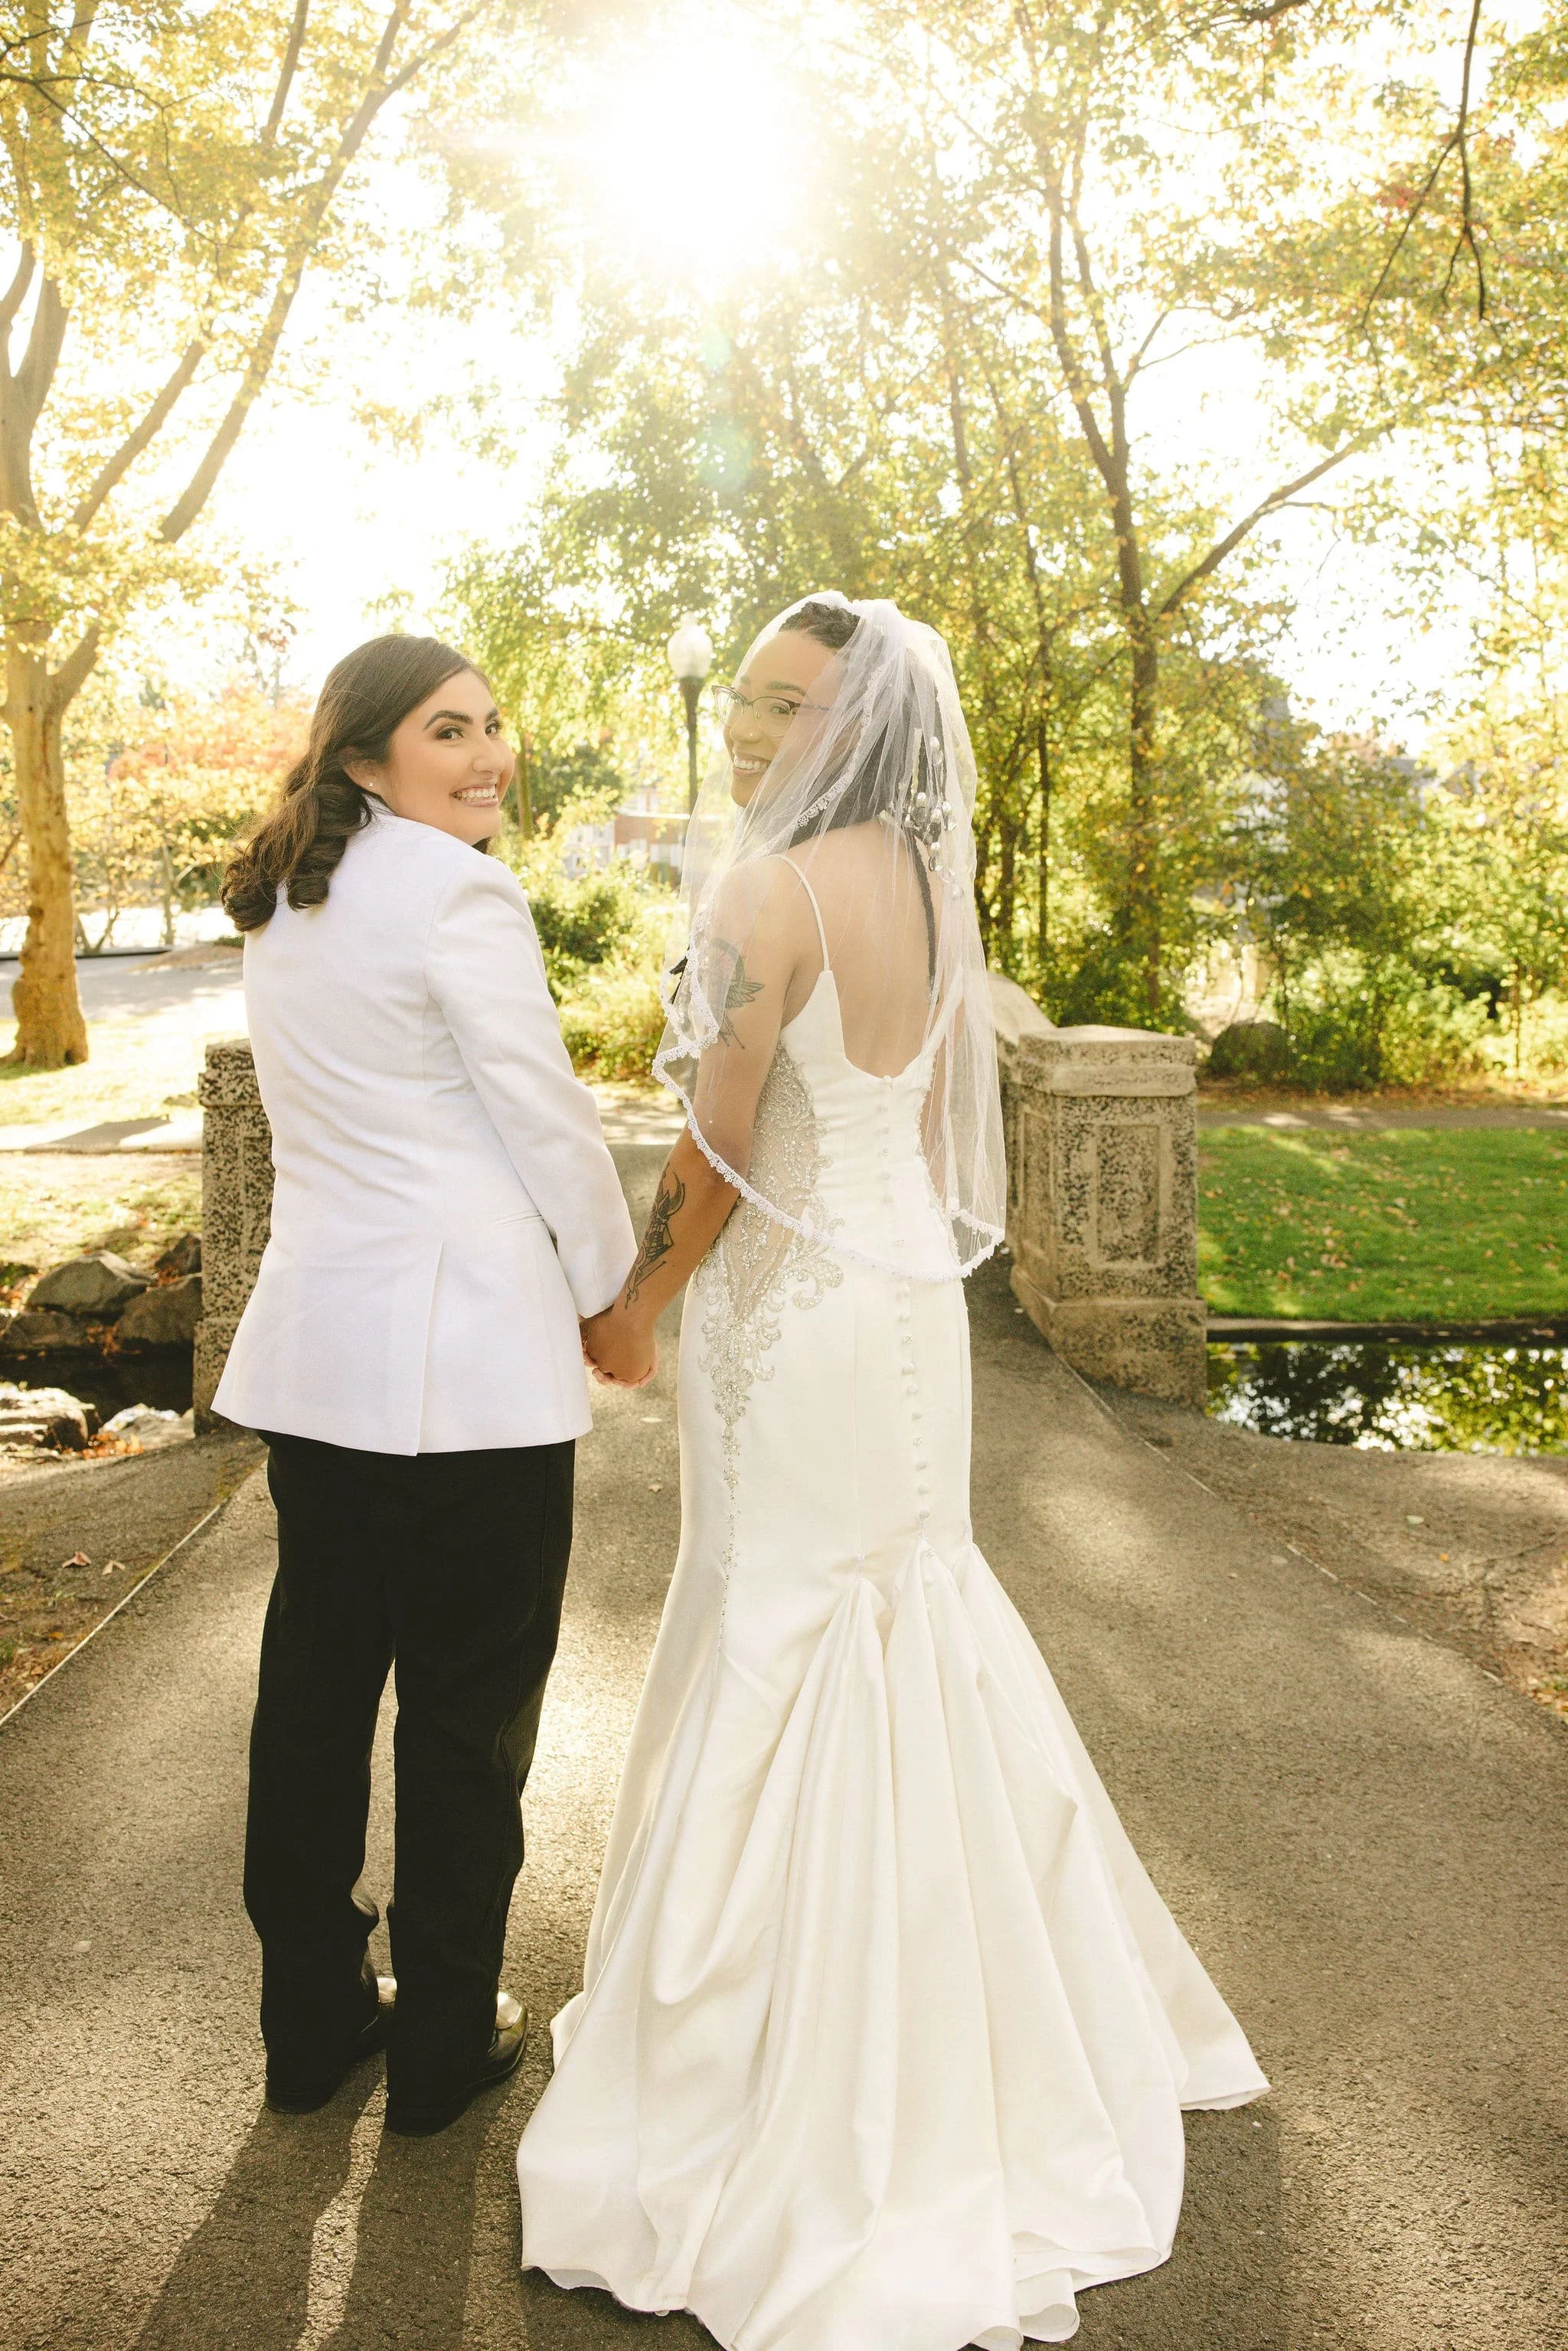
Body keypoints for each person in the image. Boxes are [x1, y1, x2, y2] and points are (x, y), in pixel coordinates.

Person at [517, 595, 1267, 2346]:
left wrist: (639, 1304)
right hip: (903, 1303)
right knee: (900, 1608)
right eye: (750, 699)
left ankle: (785, 2066)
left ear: (856, 726)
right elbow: (925, 1132)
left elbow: (712, 1149)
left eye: (787, 708)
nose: (748, 731)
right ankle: (978, 2016)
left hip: (789, 1311)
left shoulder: (765, 886)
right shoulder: (923, 885)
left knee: (783, 1614)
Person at [217, 635, 635, 2137]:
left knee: (314, 1700)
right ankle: (446, 2037)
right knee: (467, 1716)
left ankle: (311, 2017)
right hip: (470, 1378)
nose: (490, 752)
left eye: (493, 723)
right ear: (361, 757)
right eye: (447, 730)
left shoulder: (286, 897)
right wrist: (612, 1289)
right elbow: (545, 1119)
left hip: (320, 1362)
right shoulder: (458, 889)